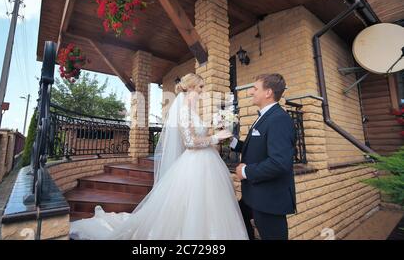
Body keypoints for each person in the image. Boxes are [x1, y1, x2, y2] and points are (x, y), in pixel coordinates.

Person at [70, 73, 248, 240]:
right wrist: (215, 137)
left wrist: (216, 129)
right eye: (200, 87)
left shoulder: (193, 112)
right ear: (191, 87)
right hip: (194, 163)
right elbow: (189, 142)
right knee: (193, 202)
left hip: (207, 161)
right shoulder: (184, 111)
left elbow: (199, 136)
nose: (202, 91)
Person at [231, 73, 297, 240]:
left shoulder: (279, 119)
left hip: (269, 200)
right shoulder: (264, 117)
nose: (250, 92)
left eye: (254, 88)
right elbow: (253, 148)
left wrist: (246, 172)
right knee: (239, 221)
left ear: (268, 92)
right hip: (252, 196)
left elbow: (280, 163)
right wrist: (231, 142)